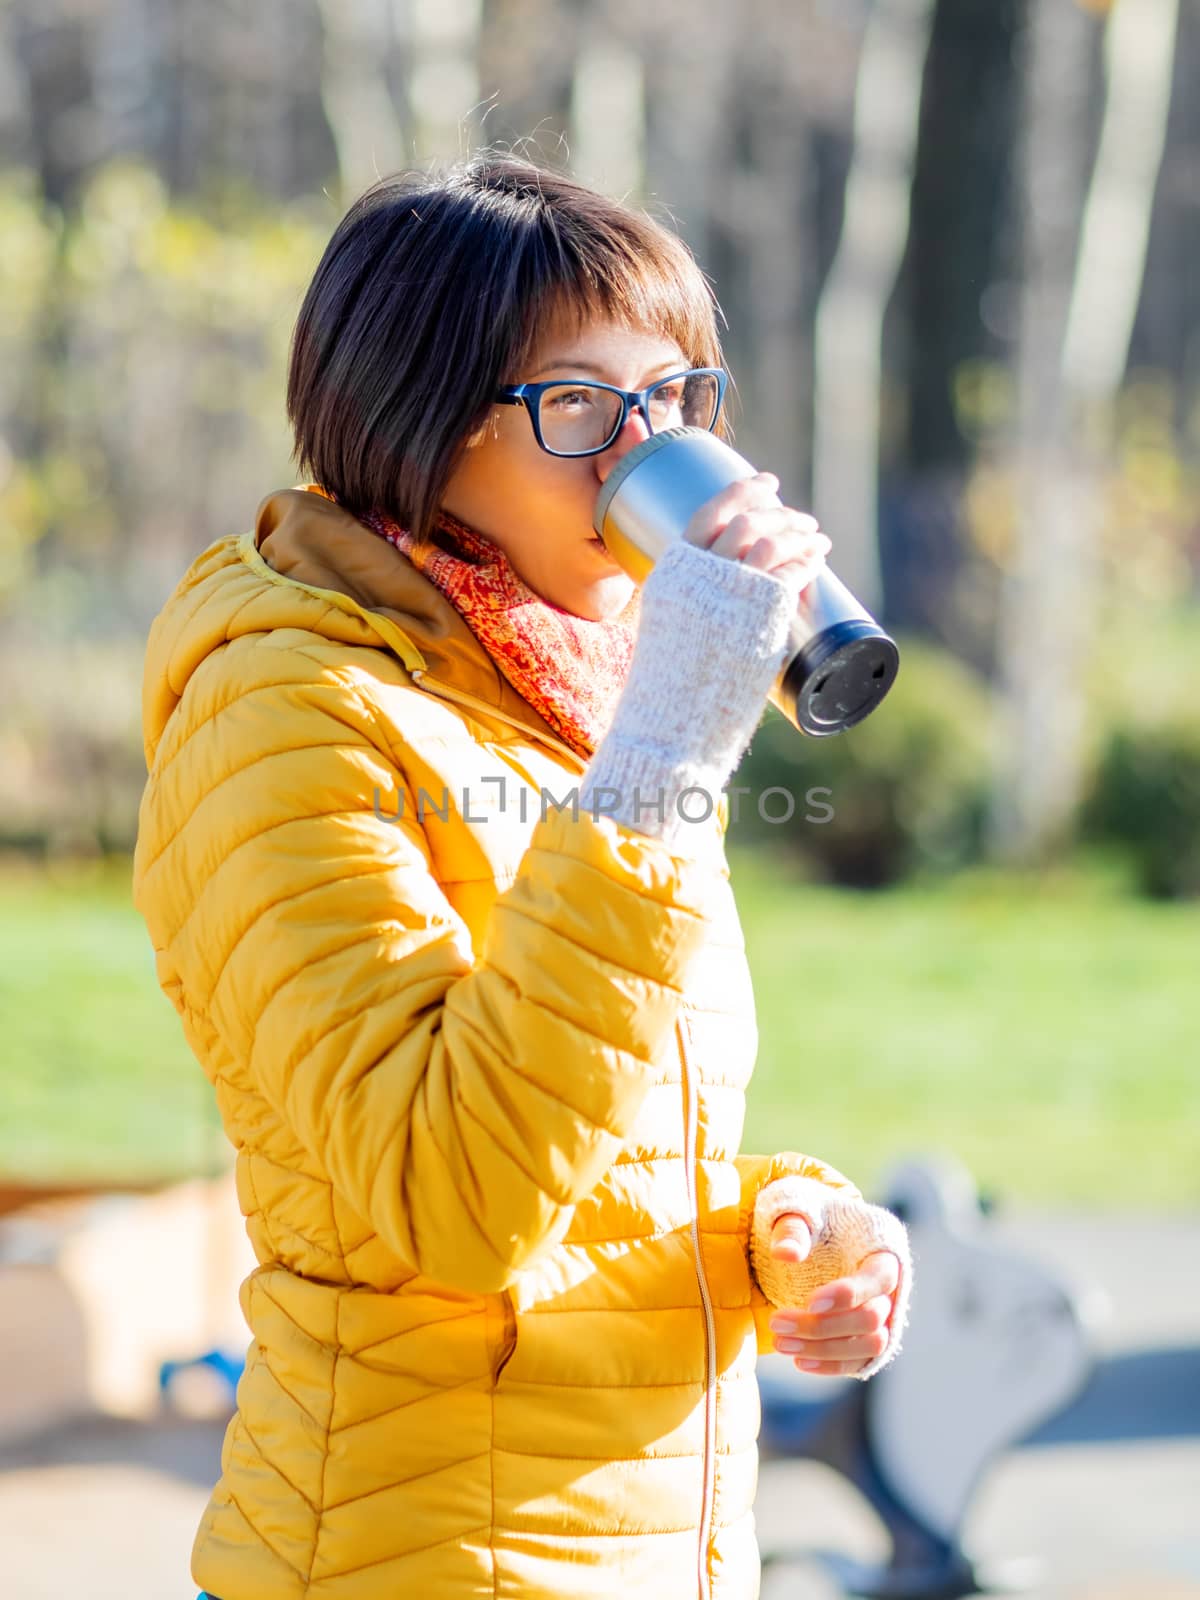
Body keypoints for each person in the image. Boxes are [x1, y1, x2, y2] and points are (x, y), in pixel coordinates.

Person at [132, 154, 911, 1600]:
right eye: (581, 408)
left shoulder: (561, 705)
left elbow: (570, 1141)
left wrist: (786, 1232)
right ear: (413, 429)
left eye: (677, 401)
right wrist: (670, 749)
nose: (647, 454)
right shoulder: (288, 716)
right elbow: (455, 1203)